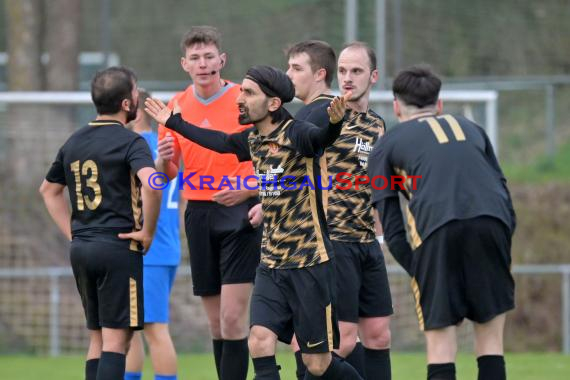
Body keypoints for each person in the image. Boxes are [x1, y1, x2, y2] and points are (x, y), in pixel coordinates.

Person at [145, 65, 364, 379]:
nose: (239, 99)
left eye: (248, 93)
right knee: (259, 341)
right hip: (271, 264)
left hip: (309, 263)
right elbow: (218, 140)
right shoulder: (253, 139)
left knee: (318, 365)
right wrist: (173, 122)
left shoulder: (296, 132)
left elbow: (320, 139)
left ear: (273, 103)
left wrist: (334, 123)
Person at [368, 64, 516, 380]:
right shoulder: (473, 128)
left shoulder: (386, 145)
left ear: (396, 106)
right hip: (493, 223)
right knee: (490, 338)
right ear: (439, 104)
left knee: (440, 343)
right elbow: (502, 189)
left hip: (438, 229)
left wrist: (417, 268)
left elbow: (391, 222)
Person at [39, 66, 161, 380]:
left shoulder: (74, 141)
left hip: (82, 249)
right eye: (135, 92)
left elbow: (48, 190)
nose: (137, 98)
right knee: (117, 340)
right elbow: (153, 183)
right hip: (118, 247)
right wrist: (147, 231)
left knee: (97, 337)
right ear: (126, 103)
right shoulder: (131, 142)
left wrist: (73, 233)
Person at [155, 26, 262, 380]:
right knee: (216, 324)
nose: (203, 64)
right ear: (185, 64)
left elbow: (270, 155)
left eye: (209, 57)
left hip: (240, 212)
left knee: (233, 318)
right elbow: (167, 173)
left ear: (222, 59)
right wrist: (163, 159)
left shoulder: (244, 100)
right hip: (199, 214)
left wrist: (252, 191)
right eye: (195, 58)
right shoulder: (174, 106)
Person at [287, 40, 393, 379]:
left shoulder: (377, 124)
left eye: (356, 71)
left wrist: (380, 235)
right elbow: (291, 164)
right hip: (335, 241)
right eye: (343, 70)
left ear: (373, 76)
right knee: (341, 342)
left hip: (366, 244)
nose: (347, 78)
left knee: (377, 334)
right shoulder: (324, 115)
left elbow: (376, 184)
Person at [124, 89, 180, 380]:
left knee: (154, 329)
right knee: (130, 329)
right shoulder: (164, 146)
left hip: (151, 250)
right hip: (161, 247)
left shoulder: (137, 147)